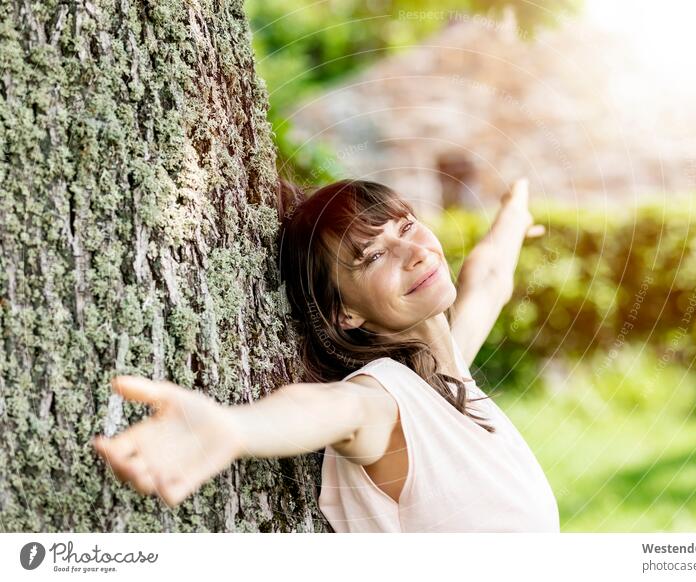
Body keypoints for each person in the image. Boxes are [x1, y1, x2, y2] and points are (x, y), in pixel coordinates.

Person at [92, 176, 558, 532]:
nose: (414, 252)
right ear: (344, 313)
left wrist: (514, 215)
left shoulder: (445, 378)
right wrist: (234, 427)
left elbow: (490, 280)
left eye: (407, 226)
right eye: (372, 256)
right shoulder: (386, 399)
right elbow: (330, 409)